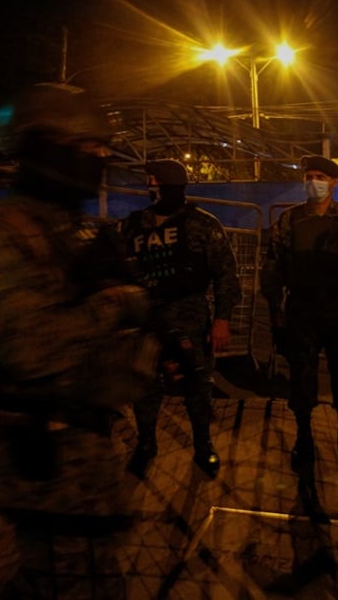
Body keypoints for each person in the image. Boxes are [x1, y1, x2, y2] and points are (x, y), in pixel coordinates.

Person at [0, 83, 161, 595]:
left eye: (103, 148)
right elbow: (31, 352)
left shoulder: (66, 226)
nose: (99, 159)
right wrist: (116, 300)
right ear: (41, 145)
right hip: (41, 465)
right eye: (85, 146)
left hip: (81, 455)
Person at [260, 155, 338, 475]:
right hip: (303, 310)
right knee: (302, 378)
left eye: (320, 176)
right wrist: (275, 312)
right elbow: (273, 267)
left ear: (334, 182)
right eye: (309, 176)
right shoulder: (290, 220)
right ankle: (304, 436)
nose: (313, 181)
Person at [117, 158, 242, 478]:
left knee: (197, 386)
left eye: (154, 181)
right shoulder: (134, 225)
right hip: (146, 320)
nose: (150, 187)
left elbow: (225, 275)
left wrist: (222, 320)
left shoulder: (202, 224)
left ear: (171, 185)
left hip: (189, 317)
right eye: (149, 181)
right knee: (145, 385)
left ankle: (203, 445)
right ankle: (146, 443)